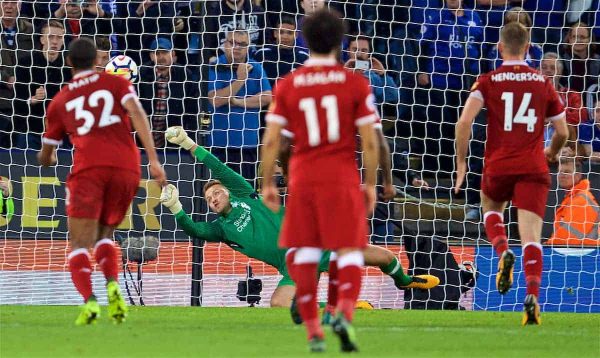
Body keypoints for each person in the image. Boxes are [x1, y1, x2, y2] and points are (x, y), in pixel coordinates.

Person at [160, 126, 439, 308]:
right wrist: (175, 208)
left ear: (229, 193)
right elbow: (194, 230)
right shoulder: (221, 229)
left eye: (217, 193)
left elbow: (218, 168)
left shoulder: (246, 195)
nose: (213, 199)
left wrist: (188, 143)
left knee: (386, 258)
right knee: (279, 303)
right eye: (209, 200)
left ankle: (405, 281)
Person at [260, 9, 376, 352]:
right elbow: (370, 140)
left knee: (307, 251)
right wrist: (370, 183)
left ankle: (313, 329)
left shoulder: (289, 84)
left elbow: (272, 140)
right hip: (341, 176)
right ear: (341, 41)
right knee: (349, 249)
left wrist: (268, 182)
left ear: (304, 40)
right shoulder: (355, 83)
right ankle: (342, 311)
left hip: (303, 178)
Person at [37, 38, 167, 325]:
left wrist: (49, 158)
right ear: (97, 59)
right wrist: (154, 160)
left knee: (79, 243)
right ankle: (113, 288)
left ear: (69, 62)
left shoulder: (61, 100)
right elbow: (138, 114)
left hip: (90, 170)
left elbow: (46, 155)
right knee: (106, 236)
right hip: (127, 168)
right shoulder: (117, 84)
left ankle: (90, 302)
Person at [454, 22, 568, 325]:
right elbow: (563, 131)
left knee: (490, 206)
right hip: (533, 166)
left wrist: (462, 163)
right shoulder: (543, 82)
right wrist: (553, 153)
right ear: (529, 48)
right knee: (531, 237)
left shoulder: (488, 81)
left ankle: (503, 250)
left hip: (499, 164)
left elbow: (464, 123)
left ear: (500, 48)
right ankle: (532, 297)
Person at [207, 28, 272, 184]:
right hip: (218, 145)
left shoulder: (255, 67)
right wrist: (240, 80)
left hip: (247, 145)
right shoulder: (215, 65)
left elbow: (267, 98)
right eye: (233, 43)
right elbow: (215, 100)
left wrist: (236, 101)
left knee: (245, 196)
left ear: (248, 46)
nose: (237, 47)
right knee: (218, 195)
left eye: (242, 44)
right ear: (225, 44)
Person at [13, 20, 71, 150]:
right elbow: (16, 102)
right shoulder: (26, 63)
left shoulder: (69, 67)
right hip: (32, 129)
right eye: (51, 37)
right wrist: (33, 99)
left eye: (59, 37)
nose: (55, 41)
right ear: (42, 39)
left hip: (61, 132)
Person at [137, 37, 199, 147]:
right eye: (157, 53)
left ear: (173, 54)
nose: (161, 57)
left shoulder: (184, 74)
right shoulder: (141, 74)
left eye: (165, 53)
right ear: (151, 56)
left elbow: (192, 109)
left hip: (174, 141)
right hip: (143, 139)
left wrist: (192, 142)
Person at [546, 158, 599, 246]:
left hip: (585, 256)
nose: (562, 175)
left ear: (578, 176)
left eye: (567, 172)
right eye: (560, 171)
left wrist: (547, 245)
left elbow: (567, 240)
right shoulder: (572, 198)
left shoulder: (581, 201)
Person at [253, 15, 309, 87]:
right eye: (281, 32)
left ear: (296, 34)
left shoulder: (303, 57)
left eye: (289, 33)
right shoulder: (262, 54)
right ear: (275, 34)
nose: (285, 36)